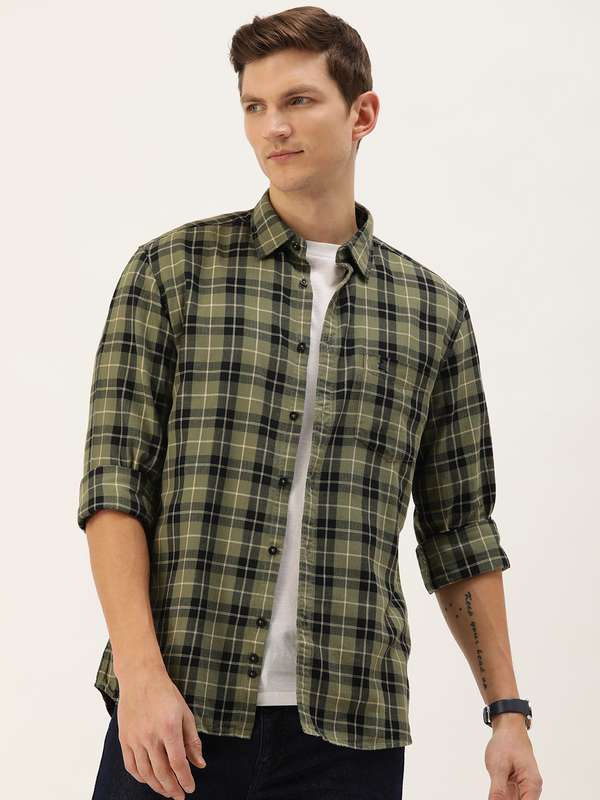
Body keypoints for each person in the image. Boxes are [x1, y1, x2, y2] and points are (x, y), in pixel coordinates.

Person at [78, 6, 543, 799]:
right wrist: (142, 678)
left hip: (349, 735)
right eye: (254, 106)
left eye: (298, 100)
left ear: (362, 114)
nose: (273, 127)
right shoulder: (172, 272)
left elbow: (460, 530)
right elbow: (114, 488)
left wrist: (507, 713)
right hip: (177, 715)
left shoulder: (432, 313)